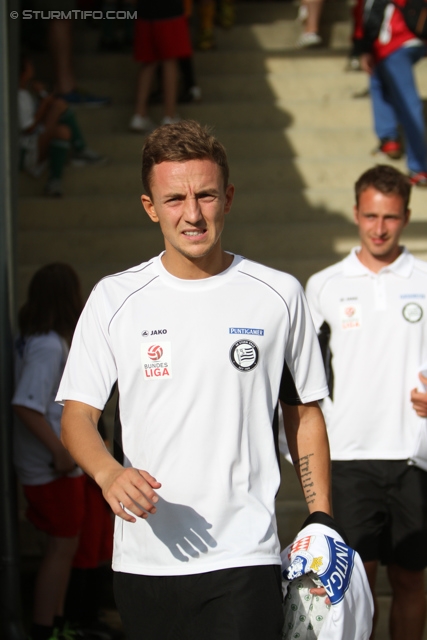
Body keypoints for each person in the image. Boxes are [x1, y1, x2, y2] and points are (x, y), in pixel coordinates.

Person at [57, 119, 333, 640]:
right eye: (174, 199)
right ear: (150, 206)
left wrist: (321, 518)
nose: (192, 214)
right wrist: (109, 474)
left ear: (227, 198)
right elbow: (77, 417)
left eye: (205, 196)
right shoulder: (114, 299)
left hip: (244, 555)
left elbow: (302, 412)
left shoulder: (278, 294)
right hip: (144, 561)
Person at [306, 164, 427, 640]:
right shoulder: (323, 285)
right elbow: (306, 379)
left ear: (407, 217)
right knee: (357, 584)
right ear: (356, 213)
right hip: (349, 456)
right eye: (371, 216)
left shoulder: (425, 277)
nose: (379, 228)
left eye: (391, 217)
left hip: (413, 454)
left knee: (410, 579)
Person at [12, 263, 85, 640]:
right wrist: (59, 452)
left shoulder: (34, 339)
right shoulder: (47, 345)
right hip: (50, 466)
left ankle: (56, 626)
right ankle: (45, 630)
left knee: (63, 548)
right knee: (60, 548)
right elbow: (26, 404)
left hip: (49, 464)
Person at [354, 0, 427, 185]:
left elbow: (371, 12)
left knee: (409, 105)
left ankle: (419, 167)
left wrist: (364, 48)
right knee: (378, 78)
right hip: (417, 37)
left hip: (393, 41)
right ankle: (388, 137)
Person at [19, 54, 106, 197]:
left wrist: (42, 96)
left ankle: (55, 181)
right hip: (25, 150)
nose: (32, 69)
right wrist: (45, 103)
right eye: (29, 67)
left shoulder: (27, 93)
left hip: (35, 142)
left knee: (63, 129)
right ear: (23, 73)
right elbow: (29, 128)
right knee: (59, 110)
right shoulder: (17, 96)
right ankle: (80, 149)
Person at [129, 1, 192, 132]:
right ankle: (169, 116)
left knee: (148, 62)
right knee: (170, 61)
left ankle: (139, 115)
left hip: (144, 11)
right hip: (169, 11)